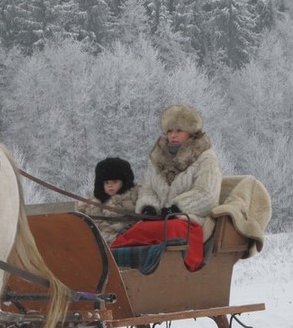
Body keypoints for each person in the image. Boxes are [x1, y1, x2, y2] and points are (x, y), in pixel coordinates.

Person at [110, 104, 222, 271]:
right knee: (131, 233)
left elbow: (207, 194)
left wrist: (177, 208)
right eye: (169, 131)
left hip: (190, 220)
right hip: (160, 219)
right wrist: (149, 207)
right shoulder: (157, 159)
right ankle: (122, 269)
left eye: (178, 130)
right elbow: (148, 189)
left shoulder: (206, 158)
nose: (173, 135)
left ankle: (161, 269)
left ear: (191, 133)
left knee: (171, 230)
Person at [76, 157, 139, 245]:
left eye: (114, 181)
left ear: (124, 181)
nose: (110, 186)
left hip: (125, 243)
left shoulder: (135, 200)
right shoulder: (89, 205)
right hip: (96, 246)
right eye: (106, 182)